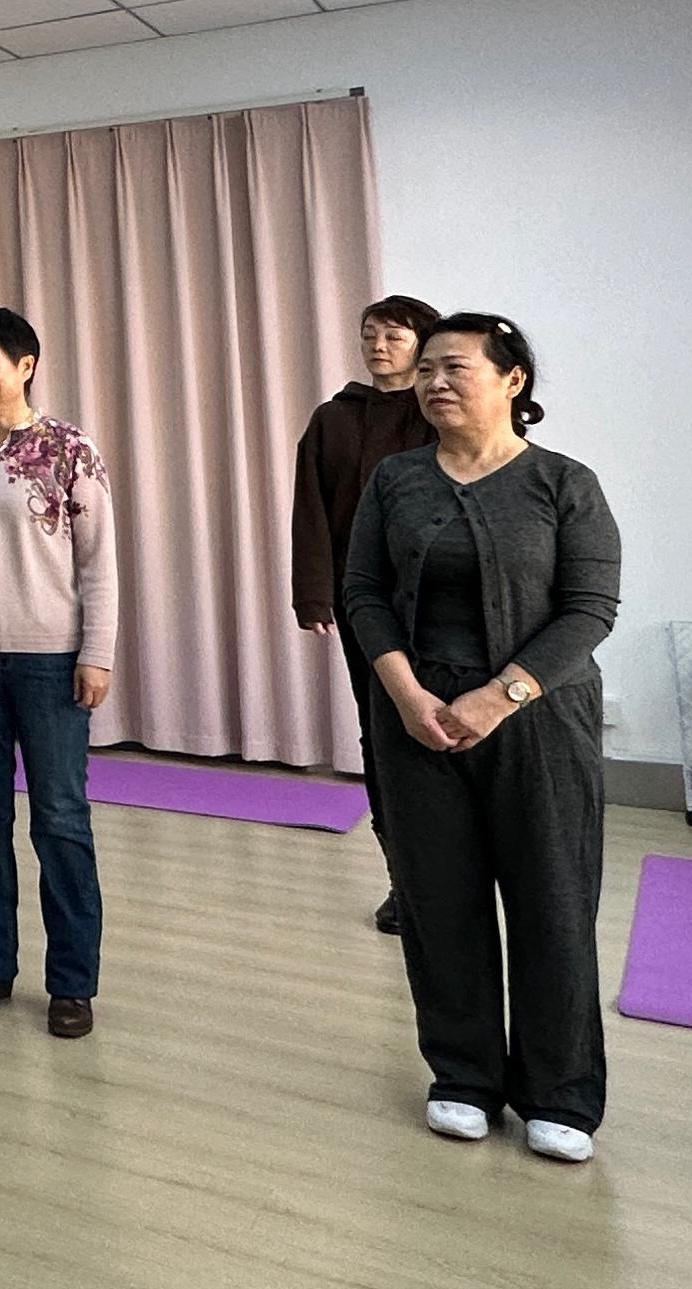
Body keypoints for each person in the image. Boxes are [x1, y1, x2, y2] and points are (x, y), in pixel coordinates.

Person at [345, 313, 619, 1164]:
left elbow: (589, 609)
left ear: (512, 380)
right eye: (425, 368)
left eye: (454, 367)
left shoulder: (563, 483)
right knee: (439, 904)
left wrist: (499, 698)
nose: (433, 382)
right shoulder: (394, 479)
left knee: (551, 904)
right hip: (417, 720)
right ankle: (462, 1076)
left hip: (539, 723)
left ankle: (558, 1093)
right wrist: (406, 694)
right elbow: (362, 592)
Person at [0, 308, 118, 1038]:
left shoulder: (69, 448)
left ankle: (72, 982)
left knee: (61, 821)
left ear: (25, 366)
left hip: (51, 662)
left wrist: (96, 652)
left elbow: (97, 563)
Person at [293, 295, 441, 933]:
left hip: (439, 603)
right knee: (381, 733)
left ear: (423, 346)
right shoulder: (334, 418)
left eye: (394, 336)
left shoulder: (440, 412)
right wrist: (313, 593)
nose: (378, 346)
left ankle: (452, 877)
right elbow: (311, 509)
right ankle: (404, 880)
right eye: (369, 335)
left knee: (441, 728)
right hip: (363, 603)